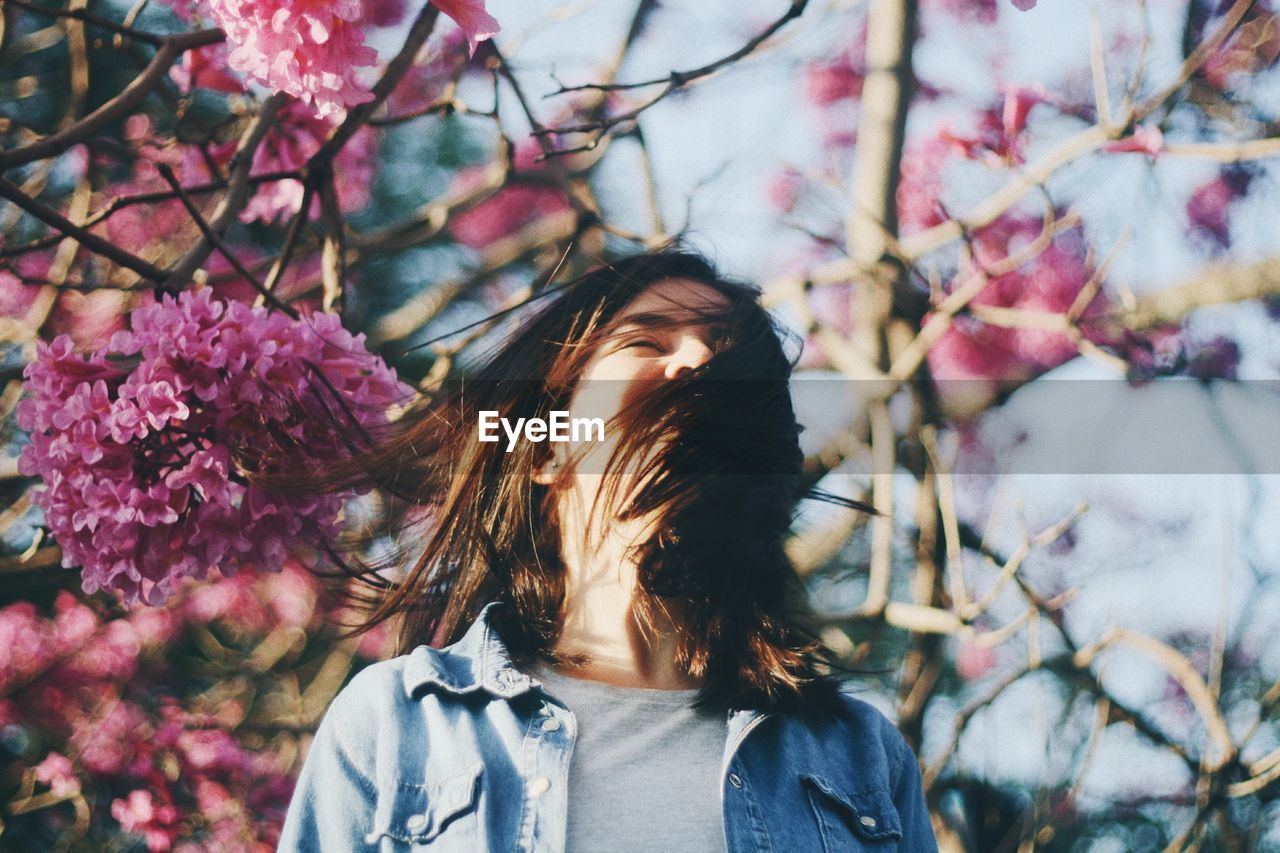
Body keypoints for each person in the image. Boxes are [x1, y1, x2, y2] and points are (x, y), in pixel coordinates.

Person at [275, 250, 938, 852]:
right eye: (649, 340)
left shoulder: (860, 760)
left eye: (727, 358)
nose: (700, 364)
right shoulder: (396, 727)